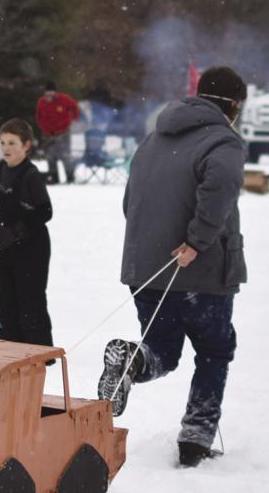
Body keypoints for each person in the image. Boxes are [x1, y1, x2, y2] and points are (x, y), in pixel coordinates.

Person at [97, 66, 248, 468]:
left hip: (144, 268)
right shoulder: (224, 142)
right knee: (215, 350)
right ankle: (196, 438)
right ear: (233, 105)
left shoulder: (155, 138)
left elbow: (131, 202)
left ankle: (132, 359)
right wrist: (197, 240)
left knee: (163, 349)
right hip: (201, 271)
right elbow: (220, 188)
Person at [0, 117, 53, 347]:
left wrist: (17, 231)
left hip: (32, 247)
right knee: (4, 302)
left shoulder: (31, 175)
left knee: (29, 302)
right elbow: (4, 208)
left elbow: (45, 212)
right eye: (3, 143)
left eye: (12, 143)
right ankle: (10, 351)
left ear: (26, 146)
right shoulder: (2, 170)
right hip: (9, 247)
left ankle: (38, 355)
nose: (6, 148)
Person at [35, 81, 79, 184]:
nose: (49, 95)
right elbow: (38, 116)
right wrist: (43, 127)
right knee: (50, 157)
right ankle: (54, 177)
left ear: (55, 92)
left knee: (65, 156)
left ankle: (70, 177)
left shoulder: (64, 99)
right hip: (48, 135)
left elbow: (75, 108)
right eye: (47, 93)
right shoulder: (41, 102)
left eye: (51, 92)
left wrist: (72, 119)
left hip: (63, 133)